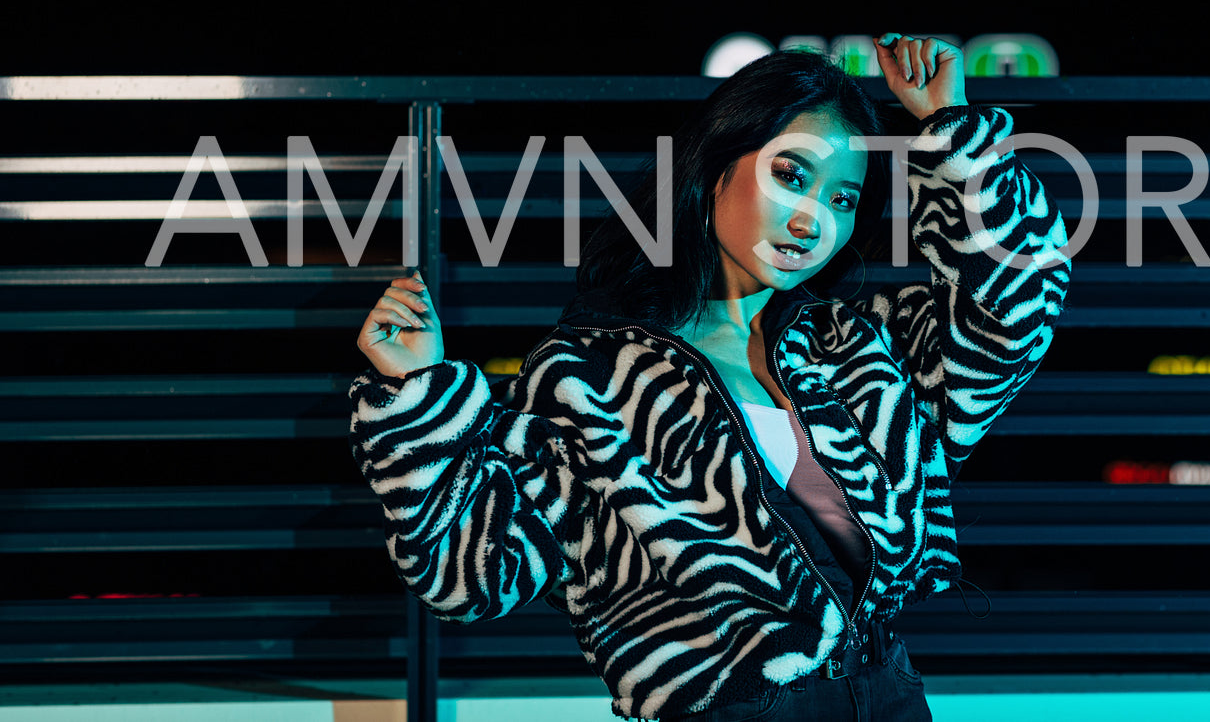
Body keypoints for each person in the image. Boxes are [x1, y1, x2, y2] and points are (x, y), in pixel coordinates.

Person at [350, 35, 1071, 720]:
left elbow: (1015, 305)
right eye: (791, 175)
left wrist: (950, 130)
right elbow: (470, 577)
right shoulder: (590, 376)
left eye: (843, 198)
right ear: (718, 163)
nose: (812, 218)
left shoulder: (854, 342)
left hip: (891, 692)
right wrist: (415, 402)